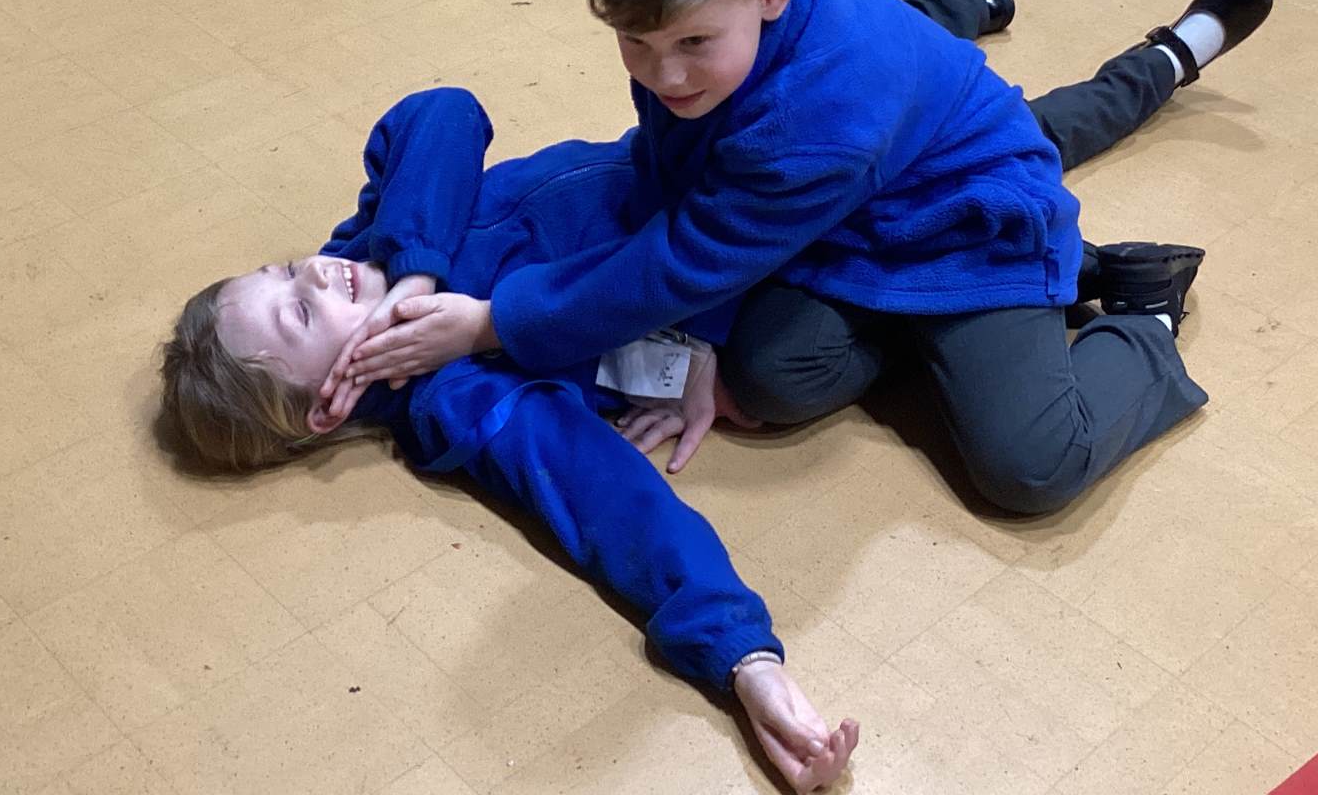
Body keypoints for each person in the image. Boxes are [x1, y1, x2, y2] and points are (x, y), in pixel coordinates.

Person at [334, 0, 1272, 515]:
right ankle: (978, 3)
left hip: (966, 221)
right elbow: (685, 184)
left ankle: (1143, 313)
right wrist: (698, 333)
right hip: (862, 200)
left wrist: (495, 323)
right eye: (636, 45)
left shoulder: (816, 127)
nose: (664, 76)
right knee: (769, 378)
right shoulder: (707, 8)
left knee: (1029, 467)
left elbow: (686, 253)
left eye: (691, 45)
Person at [161, 86, 859, 793]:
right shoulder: (460, 399)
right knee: (787, 367)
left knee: (838, 111)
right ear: (328, 407)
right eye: (300, 316)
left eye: (281, 272)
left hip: (696, 165)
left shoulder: (373, 242)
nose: (313, 271)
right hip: (733, 267)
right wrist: (745, 659)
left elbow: (445, 111)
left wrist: (415, 267)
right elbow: (606, 496)